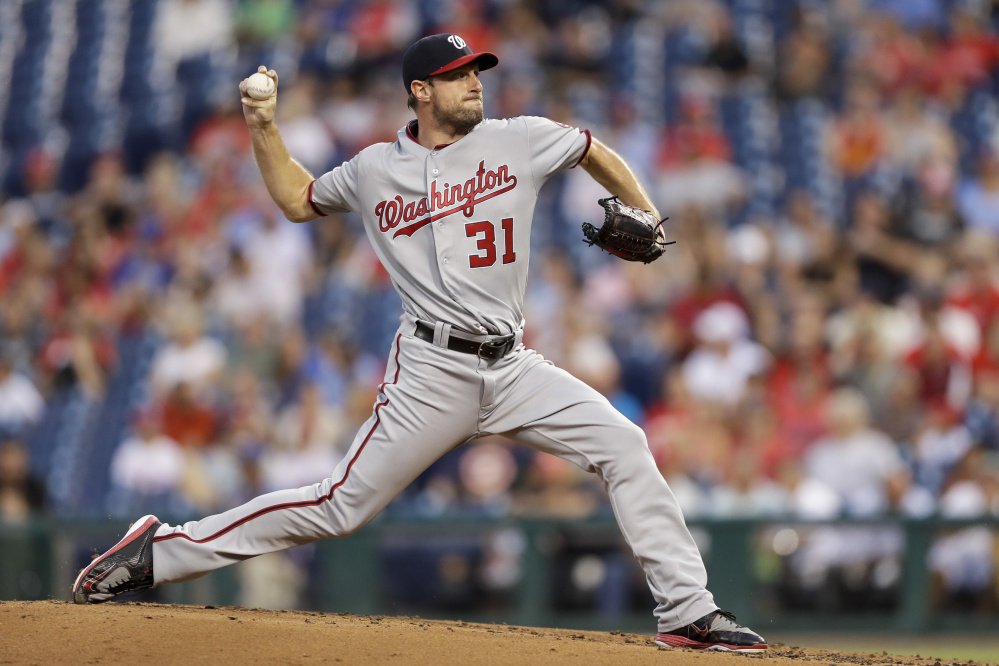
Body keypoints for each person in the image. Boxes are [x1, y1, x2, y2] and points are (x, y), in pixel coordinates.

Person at [72, 33, 766, 652]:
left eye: (477, 72)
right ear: (420, 91)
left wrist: (645, 213)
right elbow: (297, 199)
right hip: (431, 370)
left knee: (624, 445)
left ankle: (686, 612)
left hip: (513, 363)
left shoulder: (518, 137)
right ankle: (158, 553)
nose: (475, 83)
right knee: (338, 506)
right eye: (460, 75)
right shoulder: (375, 169)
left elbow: (594, 150)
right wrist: (262, 125)